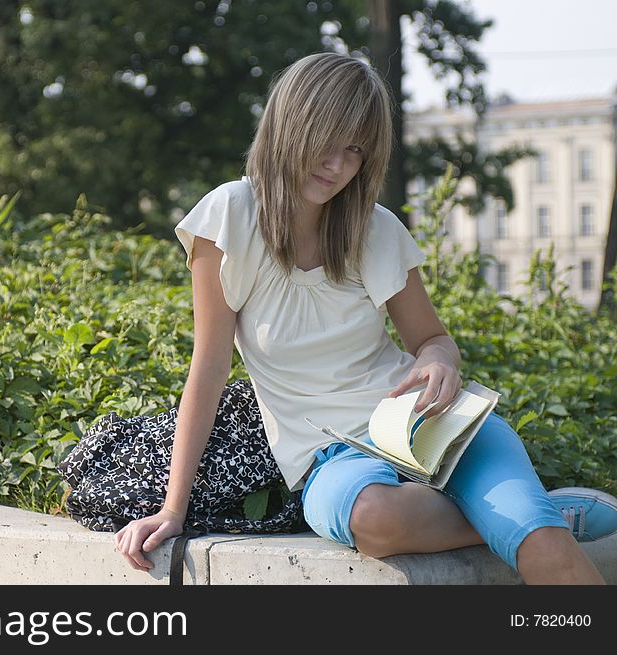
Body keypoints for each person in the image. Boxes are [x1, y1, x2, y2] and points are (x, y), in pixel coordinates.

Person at [114, 52, 617, 583]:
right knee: (374, 520)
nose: (337, 164)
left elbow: (432, 338)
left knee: (547, 555)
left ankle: (528, 521)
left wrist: (440, 362)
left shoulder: (374, 229)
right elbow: (209, 368)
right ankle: (535, 517)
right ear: (290, 124)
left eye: (354, 150)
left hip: (428, 425)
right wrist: (174, 509)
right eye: (326, 139)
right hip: (333, 458)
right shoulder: (230, 218)